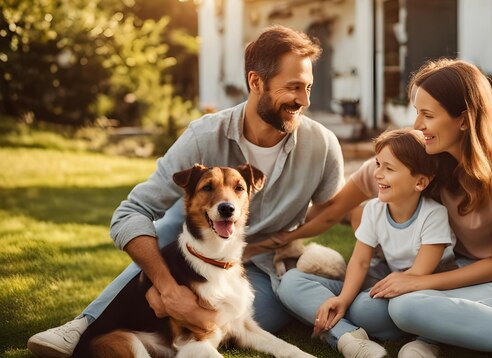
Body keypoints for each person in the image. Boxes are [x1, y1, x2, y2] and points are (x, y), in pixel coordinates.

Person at [27, 25, 345, 357]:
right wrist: (166, 287)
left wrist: (391, 227)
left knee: (250, 321)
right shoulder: (204, 135)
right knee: (166, 226)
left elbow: (336, 208)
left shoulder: (321, 145)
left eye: (308, 88)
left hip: (261, 267)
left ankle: (182, 337)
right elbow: (130, 213)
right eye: (293, 87)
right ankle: (85, 323)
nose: (304, 101)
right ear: (256, 82)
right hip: (191, 256)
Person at [274, 58, 492, 358]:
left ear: (463, 119)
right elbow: (333, 208)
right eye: (417, 113)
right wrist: (273, 234)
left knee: (408, 306)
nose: (417, 126)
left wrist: (415, 281)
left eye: (428, 114)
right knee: (373, 308)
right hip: (455, 271)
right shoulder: (423, 160)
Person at [278, 128, 455, 358]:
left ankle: (427, 340)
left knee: (366, 308)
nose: (378, 174)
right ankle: (352, 336)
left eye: (388, 168)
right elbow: (360, 261)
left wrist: (364, 297)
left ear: (420, 182)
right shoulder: (374, 209)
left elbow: (420, 273)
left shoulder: (434, 215)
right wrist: (343, 299)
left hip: (423, 289)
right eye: (378, 164)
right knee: (290, 283)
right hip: (389, 279)